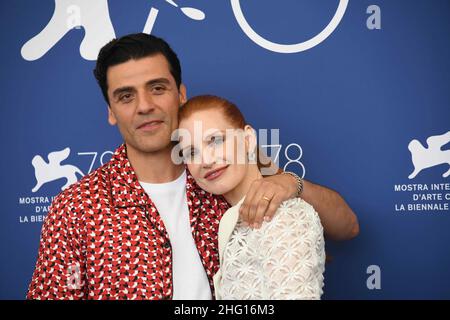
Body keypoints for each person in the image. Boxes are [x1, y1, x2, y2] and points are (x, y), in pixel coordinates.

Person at [27, 33, 358, 300]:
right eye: (126, 96)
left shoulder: (221, 177)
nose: (145, 106)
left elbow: (347, 226)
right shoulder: (78, 208)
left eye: (157, 88)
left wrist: (291, 183)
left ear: (180, 94)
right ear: (111, 111)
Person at [177, 95, 325, 299]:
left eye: (216, 141)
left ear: (248, 139)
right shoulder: (228, 220)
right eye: (191, 152)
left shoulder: (284, 216)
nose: (206, 160)